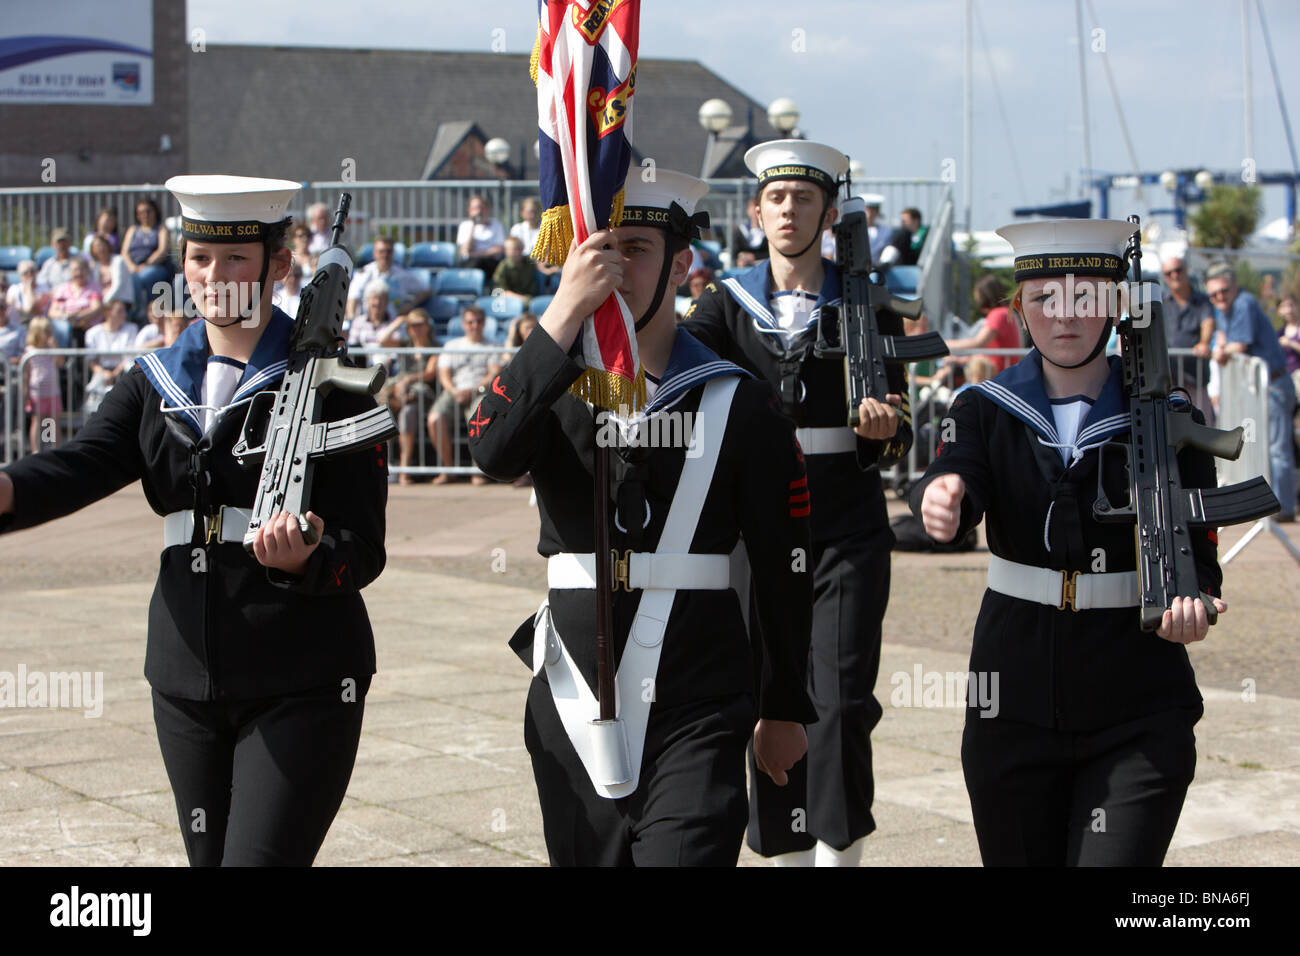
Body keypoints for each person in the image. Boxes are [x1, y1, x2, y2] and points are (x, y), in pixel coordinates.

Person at [0, 175, 388, 865]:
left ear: (279, 265)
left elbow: (363, 544)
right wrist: (4, 490)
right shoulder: (153, 381)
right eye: (199, 257)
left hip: (303, 673)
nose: (214, 275)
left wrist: (308, 557)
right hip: (184, 680)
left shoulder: (331, 378)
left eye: (235, 258)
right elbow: (76, 465)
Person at [469, 167, 815, 866]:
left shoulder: (738, 401)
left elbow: (783, 565)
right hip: (573, 698)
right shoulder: (555, 386)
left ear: (682, 264)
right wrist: (561, 318)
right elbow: (491, 449)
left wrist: (783, 706)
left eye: (635, 248)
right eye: (597, 247)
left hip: (701, 700)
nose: (613, 266)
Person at [912, 218, 1226, 866]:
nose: (1065, 316)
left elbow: (1197, 539)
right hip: (1012, 691)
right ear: (1020, 306)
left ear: (1116, 303)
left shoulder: (1172, 415)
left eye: (1086, 296)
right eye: (1045, 297)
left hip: (1138, 697)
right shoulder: (986, 406)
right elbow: (954, 468)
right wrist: (942, 497)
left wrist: (1197, 598)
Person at [681, 140, 909, 866]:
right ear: (756, 211)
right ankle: (781, 849)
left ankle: (839, 854)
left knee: (840, 702)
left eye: (804, 199)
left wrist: (885, 431)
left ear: (828, 212)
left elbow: (900, 434)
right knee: (766, 694)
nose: (788, 210)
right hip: (760, 523)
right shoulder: (724, 302)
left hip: (845, 521)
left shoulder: (869, 301)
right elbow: (683, 380)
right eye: (776, 199)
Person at [1208, 262, 1296, 522]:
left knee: (1278, 449)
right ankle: (1269, 507)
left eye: (1223, 291)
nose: (1219, 298)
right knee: (1262, 449)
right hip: (1260, 388)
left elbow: (1239, 344)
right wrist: (1222, 348)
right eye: (1214, 294)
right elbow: (1224, 337)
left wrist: (1221, 352)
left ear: (1234, 286)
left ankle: (1284, 509)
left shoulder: (1244, 303)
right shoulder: (1227, 307)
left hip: (1275, 385)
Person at [428, 304, 499, 485]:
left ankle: (478, 470)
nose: (474, 325)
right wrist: (454, 391)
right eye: (470, 322)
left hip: (480, 392)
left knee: (479, 419)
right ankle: (448, 469)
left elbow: (493, 373)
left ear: (484, 323)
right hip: (454, 391)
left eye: (478, 321)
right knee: (435, 418)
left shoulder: (492, 346)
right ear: (463, 324)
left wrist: (474, 390)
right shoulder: (452, 345)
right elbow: (444, 374)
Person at [1161, 255, 1216, 422]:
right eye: (1169, 273)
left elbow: (1208, 322)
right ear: (1165, 277)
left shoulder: (1202, 301)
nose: (1174, 275)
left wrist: (1204, 343)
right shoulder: (1160, 301)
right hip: (1168, 384)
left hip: (1195, 381)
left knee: (1204, 431)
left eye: (1178, 270)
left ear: (1186, 271)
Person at [945, 274, 1022, 375]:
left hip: (998, 377)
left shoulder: (998, 314)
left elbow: (978, 343)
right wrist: (963, 360)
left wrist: (944, 344)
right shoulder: (1006, 313)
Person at [346, 235, 428, 321]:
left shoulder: (402, 275)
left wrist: (411, 304)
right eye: (381, 251)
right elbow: (352, 299)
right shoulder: (364, 273)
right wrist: (352, 322)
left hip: (393, 323)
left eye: (388, 251)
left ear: (393, 253)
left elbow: (426, 290)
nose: (385, 255)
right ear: (375, 253)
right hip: (367, 323)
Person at [83, 298, 139, 416]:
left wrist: (114, 374)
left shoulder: (131, 329)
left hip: (123, 372)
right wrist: (104, 373)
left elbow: (129, 356)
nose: (124, 314)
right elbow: (92, 360)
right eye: (119, 311)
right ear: (108, 313)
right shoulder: (93, 332)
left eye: (124, 311)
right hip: (100, 372)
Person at [121, 197, 173, 309]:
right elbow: (124, 252)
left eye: (148, 211)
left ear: (155, 212)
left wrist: (146, 264)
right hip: (133, 267)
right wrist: (132, 266)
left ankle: (143, 309)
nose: (145, 214)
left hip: (155, 266)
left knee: (144, 276)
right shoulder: (132, 230)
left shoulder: (161, 229)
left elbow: (162, 250)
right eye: (141, 212)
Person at [21, 317, 64, 452]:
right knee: (37, 421)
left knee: (51, 422)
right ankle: (36, 451)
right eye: (46, 331)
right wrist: (25, 392)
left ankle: (52, 451)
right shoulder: (29, 350)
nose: (49, 334)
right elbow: (26, 374)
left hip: (52, 391)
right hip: (37, 392)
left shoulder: (52, 349)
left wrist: (55, 348)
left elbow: (60, 363)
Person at [456, 195, 506, 275]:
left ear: (487, 209)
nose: (478, 211)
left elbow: (498, 250)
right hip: (471, 262)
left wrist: (476, 254)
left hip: (490, 263)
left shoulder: (497, 225)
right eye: (474, 208)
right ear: (469, 210)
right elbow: (465, 251)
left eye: (481, 208)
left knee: (478, 261)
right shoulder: (465, 226)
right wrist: (473, 226)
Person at [87, 234, 135, 314]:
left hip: (120, 300)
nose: (100, 249)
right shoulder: (95, 266)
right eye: (96, 247)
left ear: (107, 246)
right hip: (102, 302)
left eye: (102, 245)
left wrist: (104, 302)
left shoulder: (118, 261)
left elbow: (118, 285)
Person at [732, 196, 768, 262]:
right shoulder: (741, 231)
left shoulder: (768, 233)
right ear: (748, 211)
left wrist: (754, 257)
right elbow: (734, 254)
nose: (755, 211)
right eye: (752, 207)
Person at [1278, 292, 1300, 396]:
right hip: (1286, 377)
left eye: (1291, 305)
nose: (1288, 310)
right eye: (1284, 306)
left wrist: (1290, 343)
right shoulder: (1280, 332)